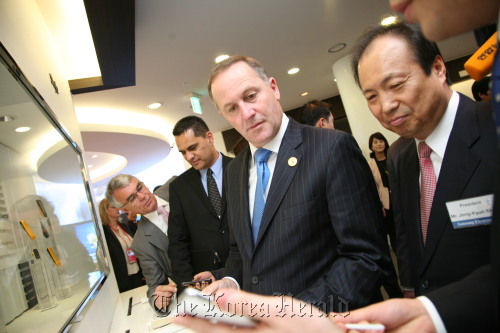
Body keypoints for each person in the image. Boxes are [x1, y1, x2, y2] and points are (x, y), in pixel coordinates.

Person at [198, 55, 391, 313]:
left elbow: (367, 258)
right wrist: (231, 281)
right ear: (224, 116)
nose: (247, 113)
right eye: (232, 108)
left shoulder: (332, 148)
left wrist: (297, 317)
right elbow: (240, 250)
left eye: (251, 96)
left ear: (274, 88)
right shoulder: (233, 171)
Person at [168, 116, 232, 290]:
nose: (189, 156)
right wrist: (186, 287)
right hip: (207, 281)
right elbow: (177, 242)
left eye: (192, 148)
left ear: (209, 138)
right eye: (183, 152)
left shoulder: (241, 169)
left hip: (249, 270)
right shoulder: (179, 188)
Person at [106, 174, 176, 315]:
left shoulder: (176, 185)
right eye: (132, 198)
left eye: (140, 187)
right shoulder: (141, 244)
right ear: (126, 210)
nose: (143, 196)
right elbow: (155, 285)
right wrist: (157, 300)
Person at [367, 132, 402, 299]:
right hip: (385, 206)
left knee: (403, 234)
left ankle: (404, 262)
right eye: (375, 142)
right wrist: (379, 205)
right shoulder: (371, 163)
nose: (379, 144)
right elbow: (372, 187)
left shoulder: (393, 156)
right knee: (392, 235)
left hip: (399, 200)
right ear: (371, 146)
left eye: (381, 141)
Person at [98, 198, 145, 292]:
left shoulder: (124, 226)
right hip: (123, 279)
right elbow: (102, 258)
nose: (117, 208)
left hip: (137, 273)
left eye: (117, 206)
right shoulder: (104, 233)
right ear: (105, 210)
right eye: (113, 207)